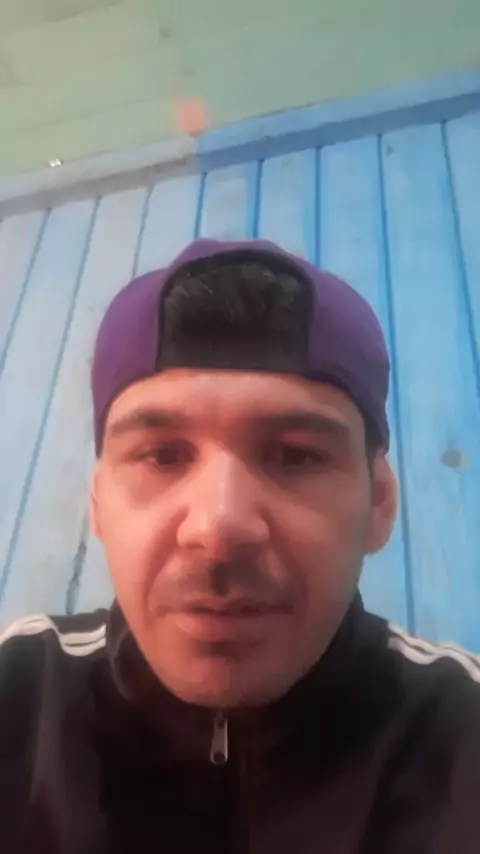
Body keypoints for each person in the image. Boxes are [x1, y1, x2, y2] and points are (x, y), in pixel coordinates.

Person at [1, 238, 479, 854]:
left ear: (379, 503)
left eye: (295, 456)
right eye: (162, 455)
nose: (218, 528)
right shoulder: (18, 697)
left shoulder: (463, 736)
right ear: (97, 502)